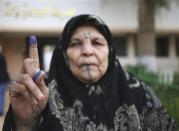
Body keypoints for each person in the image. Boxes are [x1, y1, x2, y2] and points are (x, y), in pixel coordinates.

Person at [3, 14, 175, 131]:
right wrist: (24, 123)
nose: (87, 51)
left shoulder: (138, 91)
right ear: (63, 53)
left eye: (97, 43)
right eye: (76, 43)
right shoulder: (40, 91)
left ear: (110, 51)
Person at [0, 45, 10, 116]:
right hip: (3, 81)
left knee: (1, 95)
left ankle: (0, 111)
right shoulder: (3, 58)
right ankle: (1, 111)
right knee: (2, 96)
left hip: (2, 81)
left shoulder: (2, 58)